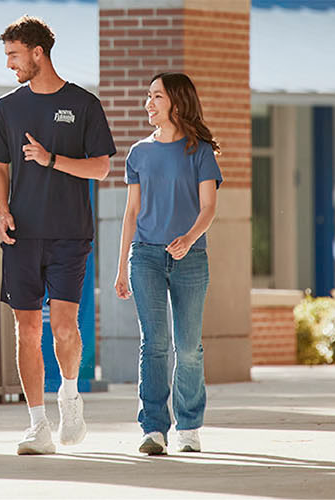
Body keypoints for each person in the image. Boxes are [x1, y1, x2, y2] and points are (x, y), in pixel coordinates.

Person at [0, 16, 114, 455]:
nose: (9, 64)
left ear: (38, 53)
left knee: (62, 328)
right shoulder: (6, 106)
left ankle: (70, 398)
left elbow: (101, 166)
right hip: (21, 235)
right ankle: (37, 425)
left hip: (68, 234)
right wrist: (1, 210)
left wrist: (51, 159)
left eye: (14, 55)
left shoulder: (83, 104)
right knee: (26, 330)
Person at [113, 72, 221, 456]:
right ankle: (154, 428)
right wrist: (121, 266)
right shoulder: (138, 153)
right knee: (155, 344)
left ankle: (189, 426)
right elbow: (131, 213)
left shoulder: (201, 152)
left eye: (156, 96)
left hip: (190, 258)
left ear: (176, 102)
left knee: (188, 346)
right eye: (148, 95)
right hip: (145, 256)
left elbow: (208, 207)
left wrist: (188, 239)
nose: (148, 103)